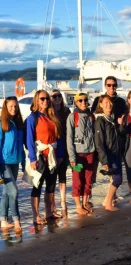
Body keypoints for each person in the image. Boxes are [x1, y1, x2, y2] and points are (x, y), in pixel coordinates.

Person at [26, 90, 63, 225]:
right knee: (37, 186)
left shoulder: (53, 116)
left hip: (52, 155)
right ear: (37, 100)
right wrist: (32, 159)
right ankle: (36, 215)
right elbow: (29, 139)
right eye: (42, 99)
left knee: (51, 185)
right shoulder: (33, 118)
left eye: (47, 98)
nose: (45, 101)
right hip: (40, 155)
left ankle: (49, 212)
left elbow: (58, 137)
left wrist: (60, 154)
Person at [66, 92, 95, 215]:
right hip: (78, 153)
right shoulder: (72, 116)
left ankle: (85, 204)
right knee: (77, 180)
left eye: (85, 100)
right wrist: (72, 157)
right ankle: (78, 206)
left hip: (90, 152)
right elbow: (69, 137)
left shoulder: (91, 116)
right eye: (80, 100)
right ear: (76, 102)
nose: (83, 102)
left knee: (88, 180)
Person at [0, 96, 25, 232]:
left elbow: (20, 146)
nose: (13, 109)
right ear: (6, 107)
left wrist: (24, 162)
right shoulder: (2, 123)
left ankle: (3, 220)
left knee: (6, 192)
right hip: (4, 163)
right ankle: (16, 220)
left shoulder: (18, 124)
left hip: (16, 162)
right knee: (14, 191)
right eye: (10, 106)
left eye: (15, 106)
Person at [94, 95, 122, 211]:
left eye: (110, 102)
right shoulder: (100, 120)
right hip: (109, 155)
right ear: (100, 104)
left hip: (116, 154)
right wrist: (104, 160)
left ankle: (107, 200)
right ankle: (108, 204)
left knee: (116, 178)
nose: (108, 104)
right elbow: (99, 142)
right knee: (117, 179)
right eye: (105, 102)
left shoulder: (111, 119)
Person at [50, 89, 71, 218]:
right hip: (53, 147)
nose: (57, 98)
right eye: (54, 96)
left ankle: (63, 202)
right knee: (52, 178)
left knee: (62, 176)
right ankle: (53, 205)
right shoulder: (49, 112)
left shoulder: (66, 111)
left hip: (64, 145)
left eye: (59, 96)